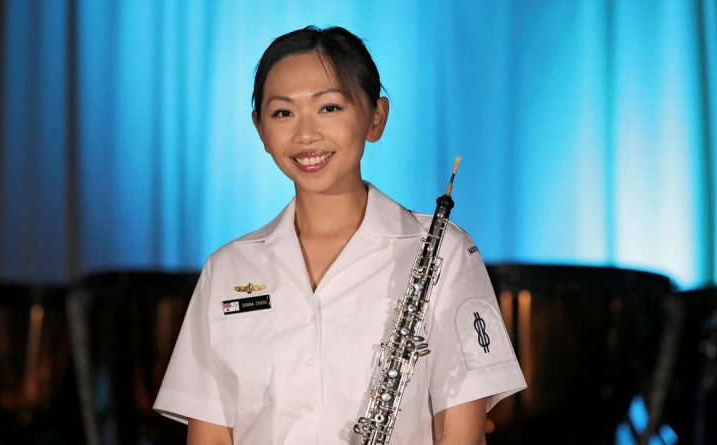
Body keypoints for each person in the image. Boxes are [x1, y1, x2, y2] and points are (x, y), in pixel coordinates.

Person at [154, 25, 526, 445]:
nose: (306, 134)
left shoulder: (444, 250)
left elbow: (461, 434)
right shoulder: (228, 268)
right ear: (259, 128)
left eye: (329, 108)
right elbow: (211, 436)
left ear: (376, 117)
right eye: (282, 113)